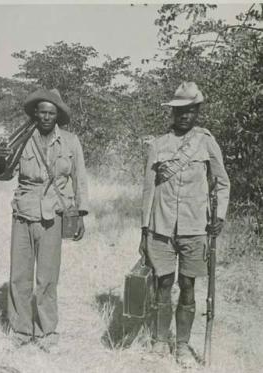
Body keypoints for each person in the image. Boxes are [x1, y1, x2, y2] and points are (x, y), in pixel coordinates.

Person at [140, 82, 230, 367]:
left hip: (194, 228)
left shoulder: (205, 142)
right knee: (162, 284)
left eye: (190, 110)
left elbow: (223, 183)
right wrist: (145, 230)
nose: (184, 116)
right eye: (179, 110)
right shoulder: (158, 144)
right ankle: (159, 340)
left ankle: (181, 345)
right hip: (161, 228)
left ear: (197, 111)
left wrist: (219, 217)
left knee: (187, 287)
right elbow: (148, 191)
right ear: (173, 111)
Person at [0, 88, 89, 352]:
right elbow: (2, 175)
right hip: (23, 213)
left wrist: (81, 214)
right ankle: (22, 330)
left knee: (47, 277)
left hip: (54, 214)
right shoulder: (21, 138)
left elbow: (79, 179)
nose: (46, 117)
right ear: (35, 114)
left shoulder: (70, 141)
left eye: (51, 113)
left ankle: (47, 332)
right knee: (19, 275)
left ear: (57, 116)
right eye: (42, 112)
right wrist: (1, 159)